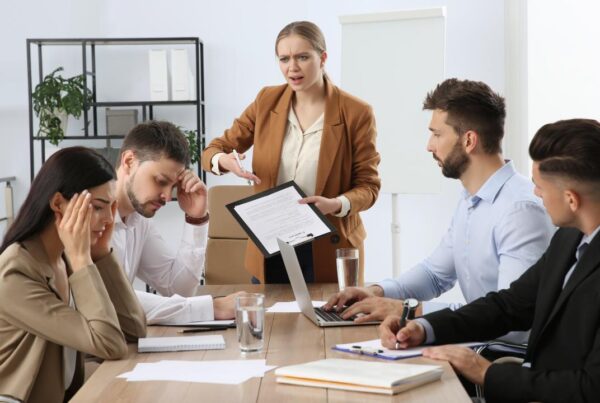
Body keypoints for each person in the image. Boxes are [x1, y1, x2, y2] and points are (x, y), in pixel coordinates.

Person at [380, 118, 600, 402]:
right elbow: (509, 305)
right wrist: (425, 328)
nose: (536, 193)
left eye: (540, 186)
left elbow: (591, 388)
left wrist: (485, 373)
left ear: (571, 199)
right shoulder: (569, 238)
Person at [324, 79, 554, 338]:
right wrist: (376, 292)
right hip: (475, 343)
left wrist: (409, 310)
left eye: (436, 134)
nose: (429, 145)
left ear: (469, 140)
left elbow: (510, 319)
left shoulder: (519, 211)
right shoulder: (471, 198)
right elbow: (435, 274)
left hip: (503, 356)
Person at [201, 21, 381, 284]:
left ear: (323, 58)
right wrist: (223, 160)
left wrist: (336, 204)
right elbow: (212, 151)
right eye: (284, 58)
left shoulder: (356, 112)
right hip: (271, 241)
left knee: (328, 322)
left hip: (327, 243)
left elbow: (369, 186)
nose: (292, 67)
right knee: (272, 322)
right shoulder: (266, 101)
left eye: (302, 57)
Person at [0, 147, 146, 403]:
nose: (108, 220)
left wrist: (101, 255)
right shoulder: (15, 272)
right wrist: (82, 259)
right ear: (58, 203)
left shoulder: (63, 257)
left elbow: (134, 329)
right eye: (98, 207)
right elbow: (110, 344)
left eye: (111, 208)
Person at [112, 121, 242, 324]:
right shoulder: (91, 214)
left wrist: (196, 219)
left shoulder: (138, 221)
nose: (167, 197)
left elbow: (177, 288)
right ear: (129, 162)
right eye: (161, 181)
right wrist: (211, 307)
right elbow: (110, 301)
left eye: (173, 186)